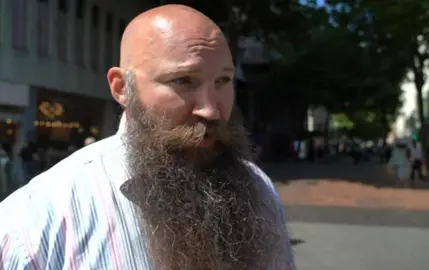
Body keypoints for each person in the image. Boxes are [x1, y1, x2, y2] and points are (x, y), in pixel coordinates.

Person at [0, 5, 294, 270]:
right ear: (121, 88)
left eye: (223, 81)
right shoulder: (31, 224)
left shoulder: (258, 188)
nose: (211, 110)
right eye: (183, 80)